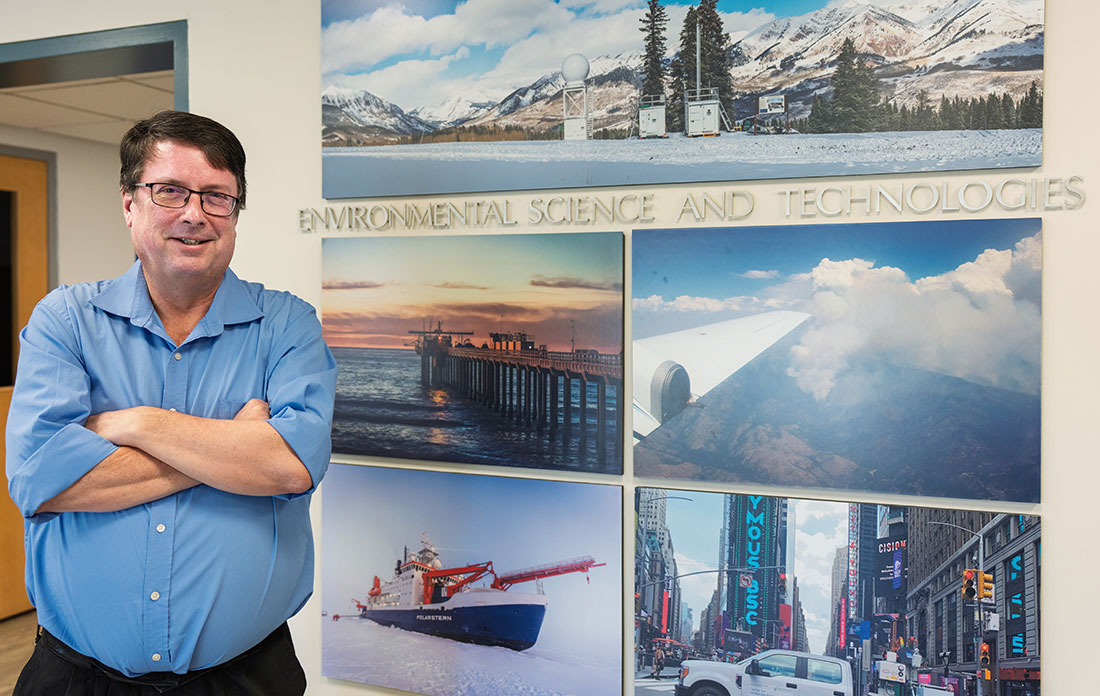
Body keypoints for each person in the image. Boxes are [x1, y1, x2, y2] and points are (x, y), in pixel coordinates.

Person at [5, 110, 337, 695]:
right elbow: (41, 481)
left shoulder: (287, 324)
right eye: (170, 191)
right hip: (75, 678)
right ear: (129, 204)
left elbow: (290, 466)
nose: (194, 213)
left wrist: (137, 423)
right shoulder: (66, 321)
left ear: (235, 213)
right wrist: (230, 449)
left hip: (245, 678)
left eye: (217, 196)